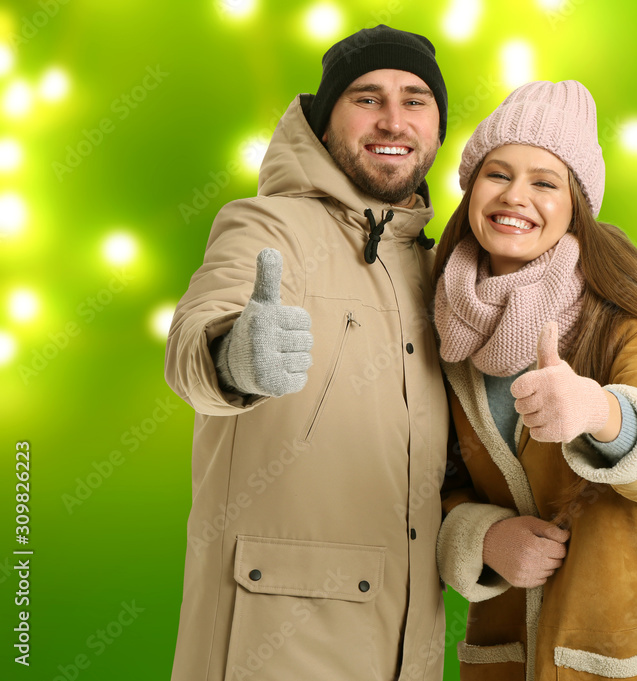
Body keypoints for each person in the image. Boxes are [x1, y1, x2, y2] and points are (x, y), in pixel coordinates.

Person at [164, 25, 453, 681]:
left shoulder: (440, 272)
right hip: (271, 647)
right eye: (366, 97)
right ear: (324, 124)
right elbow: (196, 335)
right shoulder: (269, 225)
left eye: (415, 100)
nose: (393, 119)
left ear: (436, 127)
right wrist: (236, 356)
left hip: (408, 654)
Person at [432, 80, 637, 680]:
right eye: (497, 173)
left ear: (575, 205)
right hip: (505, 655)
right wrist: (481, 540)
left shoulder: (619, 318)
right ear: (470, 187)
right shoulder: (439, 317)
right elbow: (427, 478)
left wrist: (598, 413)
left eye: (545, 182)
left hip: (626, 653)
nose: (515, 197)